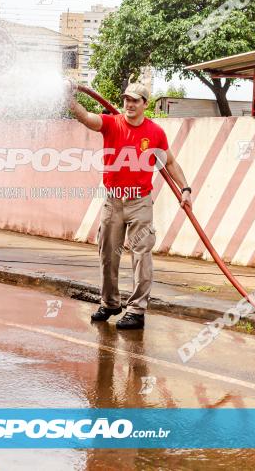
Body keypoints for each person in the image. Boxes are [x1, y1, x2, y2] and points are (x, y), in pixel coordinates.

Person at [66, 81, 191, 330]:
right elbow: (86, 118)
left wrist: (185, 189)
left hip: (140, 202)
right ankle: (110, 303)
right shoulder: (112, 123)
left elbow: (171, 163)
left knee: (141, 255)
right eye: (126, 99)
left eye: (135, 100)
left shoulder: (155, 132)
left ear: (145, 104)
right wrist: (68, 100)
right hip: (113, 201)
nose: (129, 104)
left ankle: (136, 310)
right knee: (107, 255)